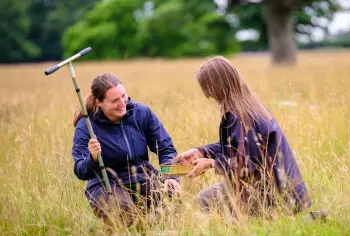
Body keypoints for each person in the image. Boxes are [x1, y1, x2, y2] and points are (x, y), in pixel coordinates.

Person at [176, 56, 311, 216]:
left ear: (217, 86)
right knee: (205, 201)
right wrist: (202, 151)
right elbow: (238, 145)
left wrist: (211, 163)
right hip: (265, 185)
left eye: (207, 88)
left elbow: (244, 164)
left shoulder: (244, 116)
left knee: (202, 204)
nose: (207, 95)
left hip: (270, 193)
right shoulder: (246, 106)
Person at [72, 73, 180, 226]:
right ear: (99, 103)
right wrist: (93, 158)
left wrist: (170, 176)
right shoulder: (86, 125)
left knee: (171, 195)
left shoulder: (142, 113)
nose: (122, 103)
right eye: (115, 100)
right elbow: (80, 171)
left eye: (123, 96)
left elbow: (166, 148)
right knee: (123, 210)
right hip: (104, 184)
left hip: (143, 177)